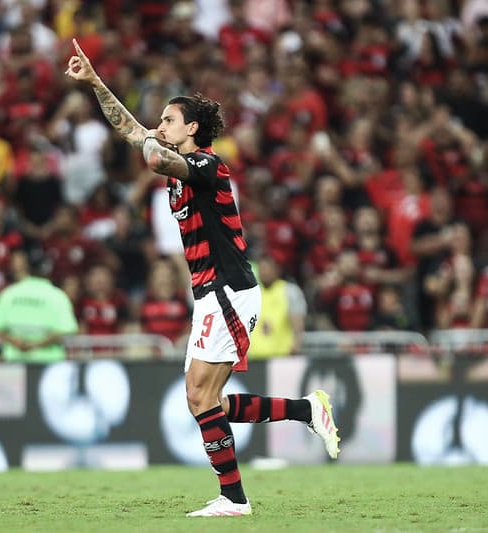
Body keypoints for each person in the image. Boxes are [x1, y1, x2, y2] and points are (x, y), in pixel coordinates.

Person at [65, 39, 340, 518]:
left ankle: (235, 499)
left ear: (191, 128)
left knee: (199, 396)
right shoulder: (183, 165)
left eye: (169, 120)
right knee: (205, 400)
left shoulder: (207, 166)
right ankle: (304, 411)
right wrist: (95, 83)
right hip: (211, 292)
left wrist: (150, 141)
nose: (160, 126)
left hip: (228, 290)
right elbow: (132, 132)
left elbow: (152, 156)